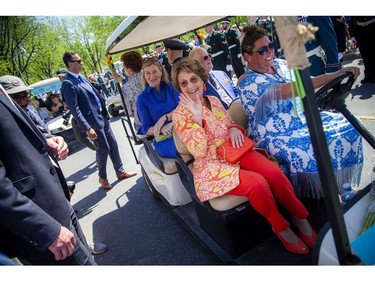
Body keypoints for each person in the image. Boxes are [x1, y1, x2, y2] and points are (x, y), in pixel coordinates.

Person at [171, 57, 317, 255]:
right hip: (212, 164)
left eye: (194, 79)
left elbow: (228, 122)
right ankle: (282, 228)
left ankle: (300, 217)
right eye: (184, 83)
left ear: (202, 79)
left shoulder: (213, 100)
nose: (190, 86)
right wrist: (197, 118)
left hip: (233, 148)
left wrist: (233, 129)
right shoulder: (180, 115)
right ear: (179, 88)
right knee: (257, 184)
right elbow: (198, 151)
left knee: (274, 173)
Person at [237, 25, 363, 199]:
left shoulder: (280, 64)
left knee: (351, 124)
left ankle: (344, 186)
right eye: (262, 50)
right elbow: (289, 90)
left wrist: (336, 78)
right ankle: (326, 197)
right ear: (247, 56)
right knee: (312, 143)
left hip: (301, 119)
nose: (269, 53)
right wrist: (334, 75)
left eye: (270, 47)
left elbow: (307, 80)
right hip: (274, 132)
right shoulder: (247, 81)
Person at [0, 83, 96, 265]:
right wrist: (46, 230)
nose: (25, 99)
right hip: (44, 226)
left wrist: (46, 140)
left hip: (59, 204)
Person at [62, 51, 137, 190]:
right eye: (79, 61)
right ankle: (103, 178)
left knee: (113, 144)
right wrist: (86, 127)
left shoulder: (81, 78)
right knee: (103, 149)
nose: (81, 63)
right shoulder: (68, 83)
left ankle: (120, 172)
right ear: (70, 64)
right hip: (92, 122)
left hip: (101, 117)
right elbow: (74, 108)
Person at [136, 56, 179, 158]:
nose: (152, 76)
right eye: (148, 73)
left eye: (155, 72)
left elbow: (182, 107)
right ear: (144, 76)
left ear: (161, 71)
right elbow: (147, 128)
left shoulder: (171, 87)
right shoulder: (142, 99)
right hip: (164, 138)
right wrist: (162, 127)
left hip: (180, 127)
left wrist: (165, 118)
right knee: (183, 146)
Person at [57, 68, 96, 151]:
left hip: (83, 114)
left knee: (92, 134)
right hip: (75, 116)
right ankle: (98, 149)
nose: (61, 79)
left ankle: (100, 150)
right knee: (81, 138)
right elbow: (67, 104)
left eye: (63, 77)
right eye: (60, 77)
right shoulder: (63, 88)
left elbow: (75, 104)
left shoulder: (74, 83)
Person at [120, 50, 143, 131]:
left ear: (129, 69)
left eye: (124, 67)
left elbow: (129, 112)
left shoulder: (126, 87)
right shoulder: (150, 75)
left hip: (142, 121)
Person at [349, 16, 375, 84]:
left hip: (373, 30)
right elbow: (352, 21)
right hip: (360, 33)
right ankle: (368, 75)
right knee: (365, 55)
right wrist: (352, 35)